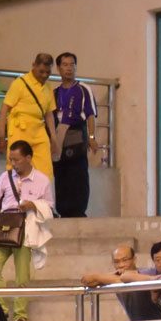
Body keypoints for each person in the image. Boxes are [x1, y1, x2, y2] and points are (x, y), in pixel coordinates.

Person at [0, 139, 54, 321]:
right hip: (5, 226)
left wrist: (32, 205)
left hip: (26, 228)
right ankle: (1, 310)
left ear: (28, 158)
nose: (13, 164)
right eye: (11, 160)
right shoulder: (5, 177)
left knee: (22, 275)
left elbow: (49, 207)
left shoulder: (42, 180)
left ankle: (20, 316)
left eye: (17, 160)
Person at [0, 53, 59, 179]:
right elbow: (3, 111)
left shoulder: (48, 87)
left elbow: (49, 114)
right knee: (16, 169)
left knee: (46, 172)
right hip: (20, 129)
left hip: (39, 130)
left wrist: (53, 138)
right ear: (33, 65)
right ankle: (14, 197)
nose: (44, 75)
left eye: (48, 72)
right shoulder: (20, 83)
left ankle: (39, 198)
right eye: (41, 71)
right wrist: (2, 136)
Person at [53, 52, 98, 218]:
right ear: (58, 68)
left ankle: (78, 210)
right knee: (61, 173)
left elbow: (91, 115)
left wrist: (92, 138)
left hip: (76, 133)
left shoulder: (83, 89)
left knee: (77, 174)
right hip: (59, 136)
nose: (69, 68)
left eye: (72, 64)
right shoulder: (55, 92)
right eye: (65, 65)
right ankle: (63, 210)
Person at [80, 244, 161, 321]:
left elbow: (124, 280)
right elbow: (86, 280)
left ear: (134, 259)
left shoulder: (146, 272)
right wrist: (109, 275)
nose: (121, 265)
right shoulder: (114, 276)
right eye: (117, 262)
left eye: (125, 260)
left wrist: (101, 277)